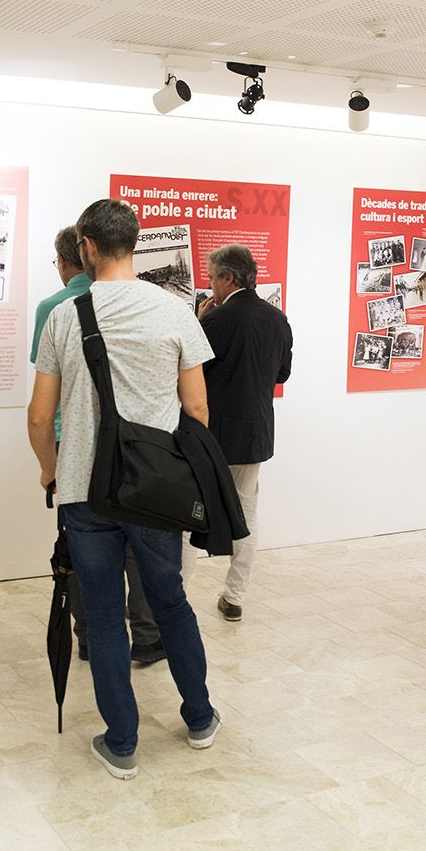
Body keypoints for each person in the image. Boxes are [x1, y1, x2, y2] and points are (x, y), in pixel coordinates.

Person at [28, 199, 219, 780]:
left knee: (106, 616)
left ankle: (123, 742)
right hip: (155, 493)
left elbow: (40, 416)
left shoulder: (66, 314)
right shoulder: (176, 310)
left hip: (85, 489)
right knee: (170, 601)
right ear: (134, 243)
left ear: (85, 244)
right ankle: (200, 717)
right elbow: (197, 408)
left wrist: (50, 468)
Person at [31, 226, 163, 665]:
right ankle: (147, 636)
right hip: (140, 449)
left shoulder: (56, 309)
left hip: (77, 447)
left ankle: (89, 637)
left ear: (74, 257)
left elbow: (43, 406)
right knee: (140, 550)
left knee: (87, 556)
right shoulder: (152, 302)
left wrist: (49, 466)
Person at [191, 244, 293, 622]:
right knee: (246, 518)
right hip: (254, 436)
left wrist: (199, 323)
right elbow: (281, 374)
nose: (209, 284)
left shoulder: (217, 321)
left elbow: (191, 371)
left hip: (212, 436)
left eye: (212, 276)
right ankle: (234, 597)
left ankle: (177, 597)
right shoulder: (277, 319)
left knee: (190, 515)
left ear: (228, 277)